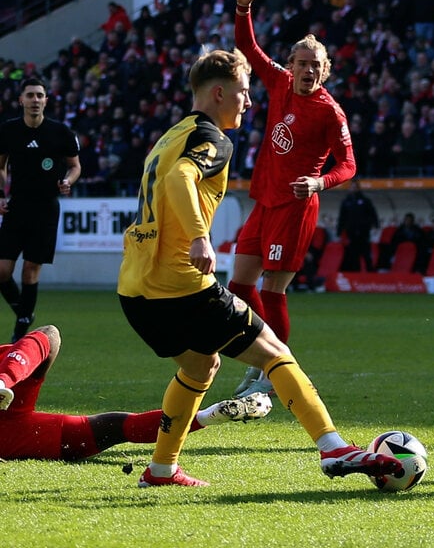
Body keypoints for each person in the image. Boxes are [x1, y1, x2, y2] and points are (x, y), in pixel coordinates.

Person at [117, 48, 400, 487]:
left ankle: (160, 469)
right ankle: (333, 448)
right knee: (275, 352)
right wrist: (198, 236)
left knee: (199, 368)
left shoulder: (170, 135)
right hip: (180, 283)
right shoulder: (215, 138)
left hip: (134, 288)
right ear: (217, 93)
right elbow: (179, 180)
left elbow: (168, 178)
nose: (249, 103)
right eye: (243, 93)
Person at [228, 0, 357, 399]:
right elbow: (247, 48)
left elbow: (349, 165)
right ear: (292, 65)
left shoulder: (329, 111)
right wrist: (244, 6)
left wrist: (319, 183)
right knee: (238, 288)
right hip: (264, 201)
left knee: (271, 289)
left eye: (315, 66)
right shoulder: (279, 82)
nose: (307, 71)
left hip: (296, 208)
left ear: (325, 71)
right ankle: (266, 360)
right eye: (301, 63)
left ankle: (274, 369)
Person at [0, 325, 272, 461]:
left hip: (11, 432)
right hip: (13, 423)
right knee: (50, 334)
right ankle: (208, 416)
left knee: (114, 427)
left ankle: (209, 415)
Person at [0, 78, 81, 342]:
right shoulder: (8, 131)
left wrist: (69, 180)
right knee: (2, 271)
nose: (35, 100)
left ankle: (20, 329)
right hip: (17, 206)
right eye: (30, 95)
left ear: (46, 100)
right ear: (21, 100)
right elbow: (1, 167)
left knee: (30, 270)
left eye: (40, 95)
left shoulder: (60, 132)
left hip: (46, 208)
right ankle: (23, 309)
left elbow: (75, 165)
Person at [336, 178, 379, 272]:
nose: (354, 189)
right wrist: (339, 231)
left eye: (355, 187)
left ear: (358, 188)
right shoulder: (346, 202)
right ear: (349, 188)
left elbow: (372, 213)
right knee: (353, 256)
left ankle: (371, 276)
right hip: (351, 233)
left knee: (366, 254)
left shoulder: (365, 201)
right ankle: (355, 276)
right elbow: (342, 217)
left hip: (363, 232)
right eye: (352, 187)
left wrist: (375, 225)